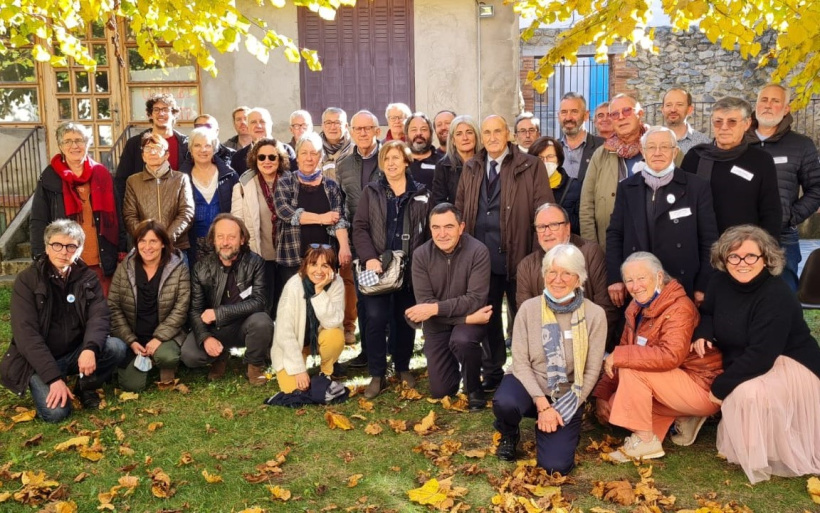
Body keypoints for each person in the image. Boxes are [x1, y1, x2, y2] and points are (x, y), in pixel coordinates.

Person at [693, 225, 820, 483]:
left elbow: (762, 355)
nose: (742, 263)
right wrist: (703, 333)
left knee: (748, 393)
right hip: (751, 359)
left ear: (766, 259)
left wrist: (721, 386)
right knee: (740, 388)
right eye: (734, 256)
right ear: (724, 258)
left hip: (790, 362)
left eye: (751, 256)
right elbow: (707, 312)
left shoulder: (777, 294)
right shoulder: (718, 281)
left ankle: (774, 451)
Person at [456, 114, 554, 393]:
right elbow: (461, 208)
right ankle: (493, 371)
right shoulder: (472, 166)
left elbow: (544, 210)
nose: (492, 137)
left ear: (508, 133)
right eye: (486, 132)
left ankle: (529, 372)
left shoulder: (530, 165)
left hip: (520, 255)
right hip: (480, 258)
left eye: (497, 131)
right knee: (487, 317)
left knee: (525, 316)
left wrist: (538, 255)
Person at [593, 252, 723, 462]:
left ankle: (645, 441)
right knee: (616, 404)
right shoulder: (636, 307)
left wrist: (621, 355)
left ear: (659, 277)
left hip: (702, 386)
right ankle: (680, 417)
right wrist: (602, 394)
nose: (635, 286)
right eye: (629, 280)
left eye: (641, 278)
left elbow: (670, 356)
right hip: (673, 385)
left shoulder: (679, 307)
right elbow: (625, 348)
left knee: (631, 367)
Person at [492, 244, 607, 472]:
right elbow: (521, 362)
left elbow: (592, 371)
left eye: (567, 273)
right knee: (505, 402)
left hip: (568, 395)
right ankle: (509, 431)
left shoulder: (595, 315)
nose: (558, 279)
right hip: (529, 383)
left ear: (579, 279)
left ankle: (551, 427)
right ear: (544, 275)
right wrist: (543, 405)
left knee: (556, 467)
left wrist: (558, 408)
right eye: (552, 272)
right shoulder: (528, 309)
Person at [0, 220, 127, 422]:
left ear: (80, 249)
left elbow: (99, 316)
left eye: (71, 246)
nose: (63, 251)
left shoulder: (88, 277)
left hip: (76, 352)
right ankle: (45, 381)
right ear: (47, 247)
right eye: (57, 245)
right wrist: (53, 377)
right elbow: (26, 335)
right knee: (57, 413)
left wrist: (90, 348)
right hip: (40, 361)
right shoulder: (28, 280)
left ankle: (85, 387)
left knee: (116, 347)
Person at [352, 140, 431, 399]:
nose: (391, 163)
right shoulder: (371, 191)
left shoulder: (421, 193)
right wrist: (370, 258)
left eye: (396, 158)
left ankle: (402, 367)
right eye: (386, 159)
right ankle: (377, 373)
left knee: (404, 320)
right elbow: (360, 227)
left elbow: (428, 232)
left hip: (409, 271)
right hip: (378, 269)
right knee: (374, 319)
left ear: (406, 161)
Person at [606, 126, 717, 304]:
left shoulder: (697, 187)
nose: (658, 152)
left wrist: (703, 284)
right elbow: (615, 233)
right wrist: (615, 277)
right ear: (642, 150)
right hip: (638, 283)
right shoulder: (627, 187)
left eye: (665, 147)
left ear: (675, 152)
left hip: (680, 282)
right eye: (651, 147)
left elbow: (709, 240)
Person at [408, 203, 491, 409]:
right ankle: (451, 369)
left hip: (467, 326)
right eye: (436, 227)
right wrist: (466, 317)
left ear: (461, 227)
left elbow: (475, 300)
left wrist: (436, 310)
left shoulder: (478, 251)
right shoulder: (420, 255)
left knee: (462, 340)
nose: (442, 233)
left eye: (449, 227)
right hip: (441, 325)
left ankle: (473, 387)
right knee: (440, 391)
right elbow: (425, 305)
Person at [30, 122, 125, 296]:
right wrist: (39, 256)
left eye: (79, 140)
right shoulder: (49, 177)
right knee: (70, 314)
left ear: (87, 144)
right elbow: (38, 219)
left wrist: (122, 249)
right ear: (60, 146)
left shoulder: (102, 174)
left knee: (101, 312)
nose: (74, 146)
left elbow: (117, 216)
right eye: (68, 141)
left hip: (100, 261)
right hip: (65, 261)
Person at [181, 213, 273, 385]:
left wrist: (220, 312)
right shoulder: (201, 267)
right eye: (220, 237)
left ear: (242, 239)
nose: (225, 242)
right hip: (215, 328)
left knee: (263, 322)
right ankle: (219, 357)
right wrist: (205, 337)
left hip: (244, 326)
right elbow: (195, 309)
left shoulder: (256, 263)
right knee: (189, 355)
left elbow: (260, 301)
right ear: (213, 240)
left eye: (231, 237)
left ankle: (254, 365)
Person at [746, 83, 820, 291]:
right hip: (739, 234)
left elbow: (816, 189)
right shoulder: (738, 141)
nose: (768, 105)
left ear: (786, 108)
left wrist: (790, 216)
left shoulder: (801, 145)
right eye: (764, 100)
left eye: (775, 101)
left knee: (783, 297)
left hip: (782, 236)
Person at [681, 96, 781, 241]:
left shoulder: (760, 161)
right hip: (703, 246)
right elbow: (683, 203)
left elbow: (771, 212)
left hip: (744, 249)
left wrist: (766, 250)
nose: (724, 127)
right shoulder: (695, 156)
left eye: (732, 122)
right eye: (718, 121)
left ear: (747, 124)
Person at [516, 203, 616, 343]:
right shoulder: (526, 267)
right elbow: (527, 319)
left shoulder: (590, 254)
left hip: (589, 343)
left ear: (567, 228)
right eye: (541, 227)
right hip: (545, 350)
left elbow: (605, 308)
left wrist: (585, 347)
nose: (547, 232)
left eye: (554, 225)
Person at [273, 132, 351, 312]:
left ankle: (322, 339)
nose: (309, 158)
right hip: (293, 256)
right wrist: (322, 218)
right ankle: (299, 340)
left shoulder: (331, 186)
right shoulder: (286, 181)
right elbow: (285, 212)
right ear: (297, 157)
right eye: (304, 153)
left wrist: (344, 248)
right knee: (295, 307)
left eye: (314, 153)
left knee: (322, 305)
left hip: (324, 258)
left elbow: (339, 220)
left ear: (321, 157)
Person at [108, 220, 190, 392]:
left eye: (153, 241)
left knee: (167, 357)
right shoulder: (125, 268)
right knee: (132, 386)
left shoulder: (178, 268)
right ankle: (140, 361)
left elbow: (181, 309)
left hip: (164, 336)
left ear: (162, 244)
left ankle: (163, 363)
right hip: (134, 337)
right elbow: (114, 306)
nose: (147, 247)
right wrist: (130, 340)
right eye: (142, 241)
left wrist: (159, 338)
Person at [580, 94, 666, 251]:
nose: (620, 117)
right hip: (612, 244)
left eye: (627, 111)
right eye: (615, 114)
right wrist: (592, 249)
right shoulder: (601, 154)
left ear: (640, 114)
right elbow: (586, 205)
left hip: (657, 242)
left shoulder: (662, 148)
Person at [336, 110, 383, 360]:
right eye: (358, 129)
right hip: (358, 240)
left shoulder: (389, 157)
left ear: (377, 131)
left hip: (386, 239)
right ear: (351, 132)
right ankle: (367, 351)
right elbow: (340, 206)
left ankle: (389, 351)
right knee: (364, 297)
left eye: (368, 128)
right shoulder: (343, 164)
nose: (363, 133)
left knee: (388, 295)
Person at [271, 245, 345, 392]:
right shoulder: (294, 285)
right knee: (292, 390)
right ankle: (300, 363)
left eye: (325, 265)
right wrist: (298, 370)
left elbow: (333, 321)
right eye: (313, 264)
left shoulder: (337, 283)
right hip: (293, 345)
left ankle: (326, 372)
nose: (318, 271)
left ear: (332, 268)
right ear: (305, 265)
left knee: (335, 335)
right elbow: (284, 333)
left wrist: (319, 292)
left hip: (321, 338)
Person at [231, 138, 291, 315]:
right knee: (264, 304)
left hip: (288, 255)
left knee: (287, 303)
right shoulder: (242, 187)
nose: (267, 161)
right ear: (255, 160)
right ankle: (266, 339)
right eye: (261, 157)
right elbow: (237, 223)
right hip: (259, 255)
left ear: (279, 160)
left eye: (272, 157)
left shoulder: (292, 183)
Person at [122, 133, 195, 258]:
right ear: (143, 156)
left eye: (157, 148)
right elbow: (130, 215)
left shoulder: (180, 179)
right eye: (148, 149)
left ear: (166, 154)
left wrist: (165, 239)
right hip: (146, 250)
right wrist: (148, 240)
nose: (152, 152)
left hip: (176, 248)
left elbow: (186, 213)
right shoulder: (133, 181)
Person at [180, 127, 239, 266]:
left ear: (214, 148)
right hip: (193, 244)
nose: (203, 150)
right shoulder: (181, 177)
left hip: (224, 242)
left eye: (208, 145)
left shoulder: (229, 175)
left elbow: (238, 210)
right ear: (190, 149)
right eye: (197, 145)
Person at [115, 93, 188, 203]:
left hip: (178, 207)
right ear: (150, 115)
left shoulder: (185, 145)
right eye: (156, 110)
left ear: (173, 114)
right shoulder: (135, 144)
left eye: (165, 109)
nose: (161, 113)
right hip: (144, 208)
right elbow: (121, 181)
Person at [528, 136, 581, 232]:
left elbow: (580, 223)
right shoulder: (525, 187)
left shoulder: (574, 187)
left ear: (559, 159)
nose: (545, 162)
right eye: (539, 158)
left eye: (550, 157)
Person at [431, 115, 481, 205]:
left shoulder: (486, 162)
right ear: (453, 140)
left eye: (469, 132)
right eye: (459, 134)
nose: (465, 138)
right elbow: (439, 201)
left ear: (476, 136)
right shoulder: (443, 166)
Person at [557, 92, 604, 185]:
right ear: (558, 116)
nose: (568, 117)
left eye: (574, 111)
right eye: (564, 112)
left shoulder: (602, 147)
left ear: (586, 115)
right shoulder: (552, 148)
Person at [231, 108, 296, 174]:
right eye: (253, 122)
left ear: (270, 125)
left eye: (262, 121)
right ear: (247, 127)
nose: (258, 126)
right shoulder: (238, 158)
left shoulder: (286, 151)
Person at [661, 88, 711, 154]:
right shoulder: (651, 141)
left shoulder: (704, 143)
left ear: (689, 109)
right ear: (662, 110)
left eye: (679, 104)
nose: (673, 109)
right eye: (668, 105)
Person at [319, 107, 354, 181]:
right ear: (322, 126)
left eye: (337, 123)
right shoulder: (314, 151)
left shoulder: (355, 151)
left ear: (346, 126)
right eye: (328, 123)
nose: (332, 127)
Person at [405, 112, 438, 189]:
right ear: (406, 135)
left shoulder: (443, 162)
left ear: (431, 133)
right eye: (414, 130)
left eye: (423, 129)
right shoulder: (399, 161)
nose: (419, 133)